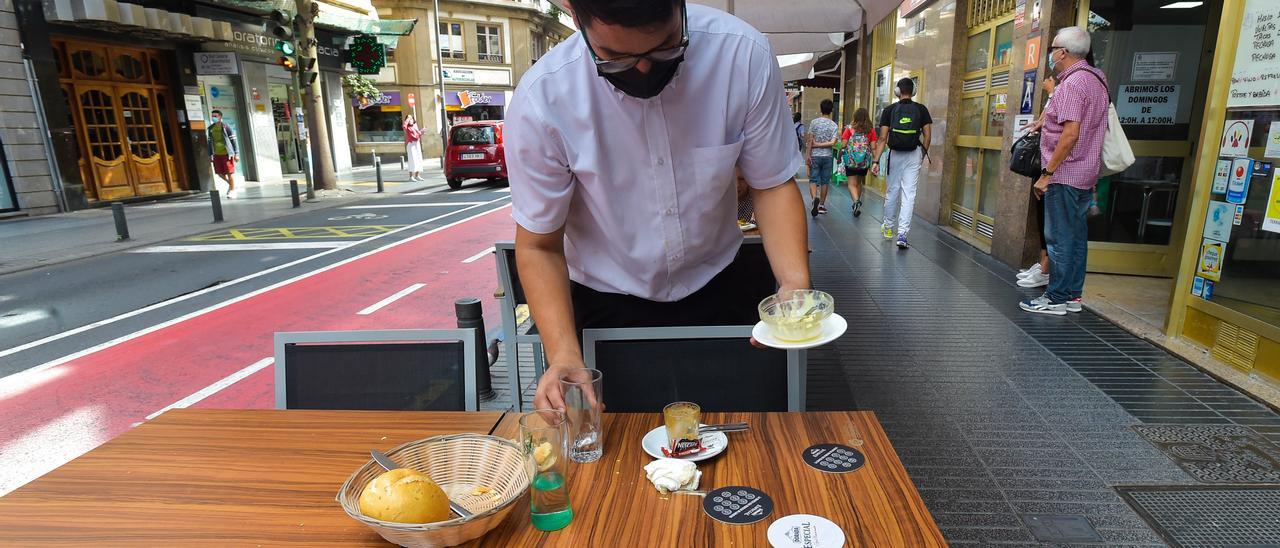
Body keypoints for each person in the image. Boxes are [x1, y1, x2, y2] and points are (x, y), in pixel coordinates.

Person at [506, 0, 811, 411]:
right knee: (619, 455)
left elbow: (771, 183)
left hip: (719, 282)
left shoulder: (741, 55)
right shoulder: (543, 99)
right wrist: (562, 351)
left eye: (667, 46)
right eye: (615, 58)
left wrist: (793, 283)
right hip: (605, 299)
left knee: (742, 435)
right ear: (574, 16)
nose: (644, 69)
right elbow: (539, 244)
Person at [1019, 26, 1109, 316]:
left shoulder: (1072, 84)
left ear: (1063, 52)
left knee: (1059, 238)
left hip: (1065, 174)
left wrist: (1047, 174)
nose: (1051, 54)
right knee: (1077, 237)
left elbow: (1070, 134)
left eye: (1053, 48)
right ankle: (1072, 295)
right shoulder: (1097, 80)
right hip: (1085, 174)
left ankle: (1055, 297)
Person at [870, 78, 932, 249]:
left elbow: (882, 138)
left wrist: (876, 160)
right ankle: (903, 234)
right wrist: (922, 154)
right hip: (914, 154)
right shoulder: (921, 109)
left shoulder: (889, 110)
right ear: (913, 92)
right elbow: (927, 135)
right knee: (909, 195)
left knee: (892, 192)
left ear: (897, 91)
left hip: (895, 154)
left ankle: (888, 228)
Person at [1017, 74, 1057, 289]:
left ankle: (1047, 269)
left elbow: (1063, 129)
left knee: (1051, 223)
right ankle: (1043, 264)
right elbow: (1048, 119)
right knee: (1042, 218)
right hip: (1045, 164)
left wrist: (1052, 92)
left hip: (1056, 169)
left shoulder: (1069, 89)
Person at [840, 108, 877, 217]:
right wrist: (876, 161)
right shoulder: (871, 130)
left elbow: (843, 144)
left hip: (851, 161)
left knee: (851, 184)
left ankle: (856, 201)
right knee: (859, 183)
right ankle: (857, 203)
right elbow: (874, 147)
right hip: (864, 162)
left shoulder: (849, 129)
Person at [806, 99, 838, 217]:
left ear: (821, 109)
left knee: (813, 180)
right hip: (828, 156)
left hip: (815, 155)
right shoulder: (834, 125)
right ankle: (822, 205)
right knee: (825, 181)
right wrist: (824, 144)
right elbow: (833, 142)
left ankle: (815, 198)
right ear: (831, 111)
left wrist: (808, 154)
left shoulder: (814, 123)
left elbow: (810, 140)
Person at [207, 110, 239, 199]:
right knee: (219, 173)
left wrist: (236, 154)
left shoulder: (226, 127)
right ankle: (231, 185)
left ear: (220, 117)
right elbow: (209, 142)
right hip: (216, 154)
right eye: (213, 116)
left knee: (229, 172)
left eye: (216, 116)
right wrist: (210, 154)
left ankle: (232, 190)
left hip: (227, 153)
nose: (214, 118)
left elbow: (233, 140)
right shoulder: (211, 128)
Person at [403, 115, 424, 182]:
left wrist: (422, 131)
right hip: (411, 144)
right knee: (412, 159)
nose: (410, 120)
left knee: (418, 158)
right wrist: (408, 119)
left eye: (411, 118)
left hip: (417, 143)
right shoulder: (407, 127)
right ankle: (411, 176)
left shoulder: (415, 125)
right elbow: (404, 125)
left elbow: (418, 133)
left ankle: (417, 175)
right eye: (409, 119)